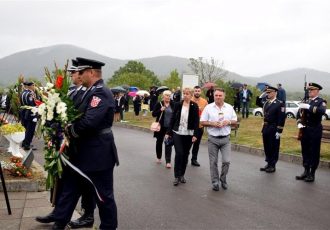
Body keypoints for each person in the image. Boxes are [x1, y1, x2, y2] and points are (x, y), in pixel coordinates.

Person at [39, 57, 119, 230]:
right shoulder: (87, 90)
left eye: (81, 72)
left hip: (99, 154)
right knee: (70, 188)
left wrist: (69, 129)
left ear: (91, 72)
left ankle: (108, 227)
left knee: (103, 196)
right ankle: (59, 222)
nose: (78, 75)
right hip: (83, 152)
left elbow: (90, 121)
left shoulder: (100, 92)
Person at [36, 59, 96, 229]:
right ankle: (59, 212)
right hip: (66, 143)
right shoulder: (71, 92)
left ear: (82, 74)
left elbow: (81, 117)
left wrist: (65, 128)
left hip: (81, 145)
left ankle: (87, 214)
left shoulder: (89, 92)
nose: (71, 75)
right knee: (63, 180)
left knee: (85, 183)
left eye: (74, 72)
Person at [200, 88, 237, 191]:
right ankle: (215, 181)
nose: (218, 97)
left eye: (220, 95)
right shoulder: (208, 107)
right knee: (213, 162)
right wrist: (212, 123)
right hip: (213, 139)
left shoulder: (229, 107)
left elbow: (235, 120)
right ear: (213, 96)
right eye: (216, 95)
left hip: (226, 139)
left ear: (224, 96)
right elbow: (202, 121)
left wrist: (228, 122)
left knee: (226, 161)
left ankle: (223, 179)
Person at [166, 87, 199, 186]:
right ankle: (176, 176)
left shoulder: (194, 106)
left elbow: (197, 121)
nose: (185, 95)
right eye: (184, 93)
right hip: (178, 132)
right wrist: (168, 132)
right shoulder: (178, 104)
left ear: (191, 95)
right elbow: (172, 118)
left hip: (189, 133)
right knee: (179, 153)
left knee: (185, 154)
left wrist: (195, 134)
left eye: (187, 93)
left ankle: (182, 175)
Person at [296, 82, 326, 182]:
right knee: (305, 151)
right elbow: (299, 114)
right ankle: (306, 171)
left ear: (317, 91)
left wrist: (308, 107)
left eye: (312, 90)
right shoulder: (306, 101)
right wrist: (299, 123)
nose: (310, 91)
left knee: (314, 152)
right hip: (305, 130)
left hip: (315, 130)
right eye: (309, 90)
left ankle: (312, 173)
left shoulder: (321, 101)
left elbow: (321, 111)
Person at [258, 86, 286, 173]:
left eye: (269, 92)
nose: (268, 94)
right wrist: (261, 95)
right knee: (266, 146)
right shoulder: (266, 103)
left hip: (274, 128)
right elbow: (258, 102)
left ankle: (272, 165)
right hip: (266, 128)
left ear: (275, 93)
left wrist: (279, 131)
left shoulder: (280, 103)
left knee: (273, 147)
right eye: (267, 92)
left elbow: (281, 119)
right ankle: (268, 162)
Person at [152, 90, 174, 168]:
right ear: (163, 96)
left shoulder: (173, 104)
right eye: (166, 95)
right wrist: (160, 110)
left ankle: (168, 161)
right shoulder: (159, 104)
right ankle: (159, 157)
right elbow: (153, 114)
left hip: (169, 128)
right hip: (160, 127)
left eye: (169, 95)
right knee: (159, 142)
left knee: (168, 144)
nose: (168, 97)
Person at [190, 86, 208, 167]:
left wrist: (201, 110)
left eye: (198, 91)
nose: (197, 92)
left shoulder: (204, 101)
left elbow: (207, 113)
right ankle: (185, 158)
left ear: (200, 92)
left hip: (200, 126)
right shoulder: (189, 100)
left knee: (196, 144)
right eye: (196, 91)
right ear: (193, 92)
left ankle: (194, 159)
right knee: (188, 144)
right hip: (190, 126)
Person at [20, 82, 38, 150]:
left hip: (23, 112)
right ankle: (27, 144)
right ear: (30, 86)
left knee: (25, 128)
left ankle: (24, 143)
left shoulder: (23, 92)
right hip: (30, 112)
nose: (34, 87)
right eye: (33, 85)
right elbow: (32, 104)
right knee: (30, 129)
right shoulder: (30, 93)